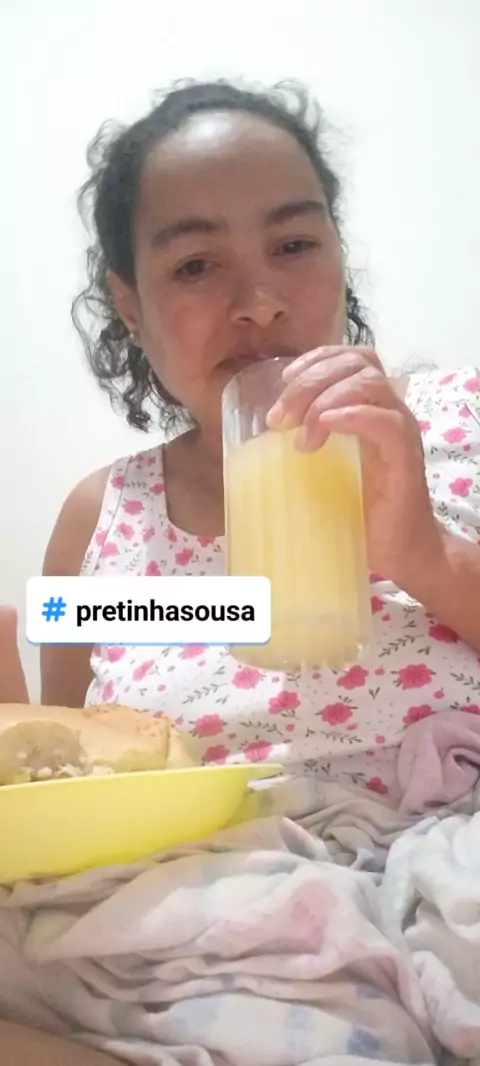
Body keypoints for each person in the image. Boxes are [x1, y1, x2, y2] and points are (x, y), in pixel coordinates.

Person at [38, 79, 480, 798]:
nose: (260, 305)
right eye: (195, 265)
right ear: (130, 305)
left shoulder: (465, 416)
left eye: (295, 244)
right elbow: (68, 776)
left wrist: (428, 556)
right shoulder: (101, 522)